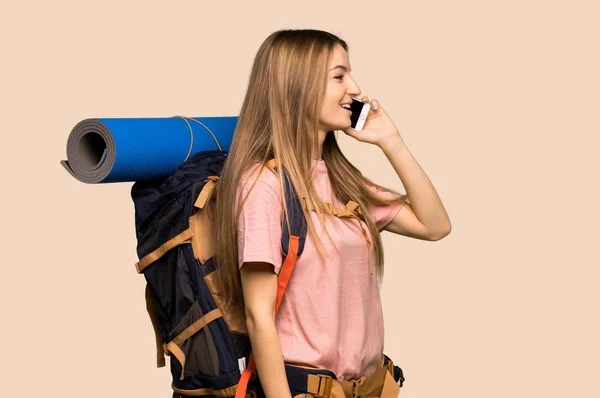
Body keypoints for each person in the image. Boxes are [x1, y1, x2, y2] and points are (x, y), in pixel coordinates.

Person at [211, 29, 452, 398]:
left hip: (370, 388)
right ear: (298, 86)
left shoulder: (344, 182)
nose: (354, 88)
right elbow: (259, 319)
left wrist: (391, 141)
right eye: (339, 76)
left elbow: (435, 225)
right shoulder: (264, 184)